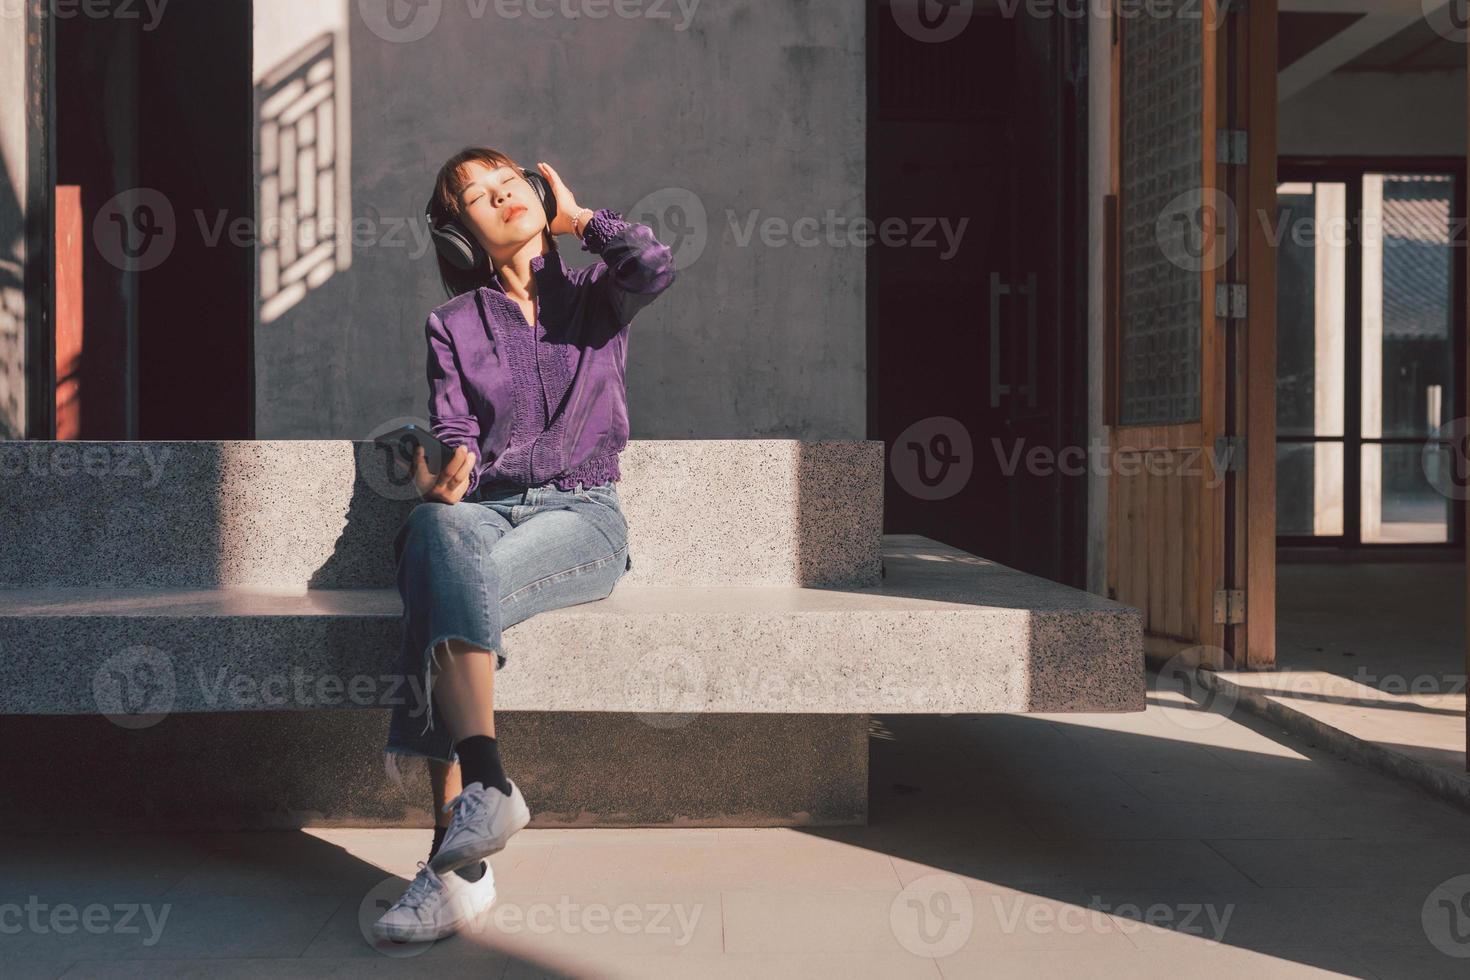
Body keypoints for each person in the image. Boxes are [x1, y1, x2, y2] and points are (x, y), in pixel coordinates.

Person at [371, 147, 676, 943]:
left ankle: (454, 865)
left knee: (439, 586)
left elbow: (652, 263)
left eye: (512, 182)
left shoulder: (595, 296)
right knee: (434, 529)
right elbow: (454, 434)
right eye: (477, 195)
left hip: (583, 516)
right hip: (488, 511)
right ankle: (487, 781)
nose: (501, 195)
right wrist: (444, 476)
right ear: (460, 235)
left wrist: (580, 220)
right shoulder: (452, 326)